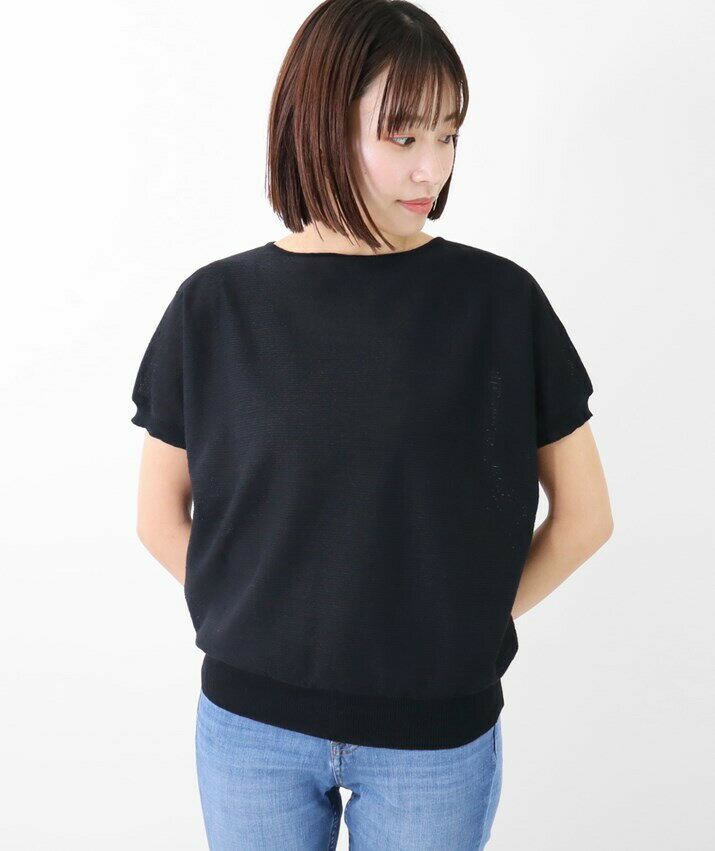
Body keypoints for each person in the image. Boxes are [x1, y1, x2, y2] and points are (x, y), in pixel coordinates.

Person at [130, 0, 614, 848]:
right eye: (402, 135)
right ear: (318, 125)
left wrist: (459, 623)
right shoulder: (215, 305)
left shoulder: (498, 303)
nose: (432, 167)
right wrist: (253, 617)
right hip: (250, 729)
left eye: (449, 134)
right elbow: (158, 514)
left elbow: (585, 518)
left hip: (435, 734)